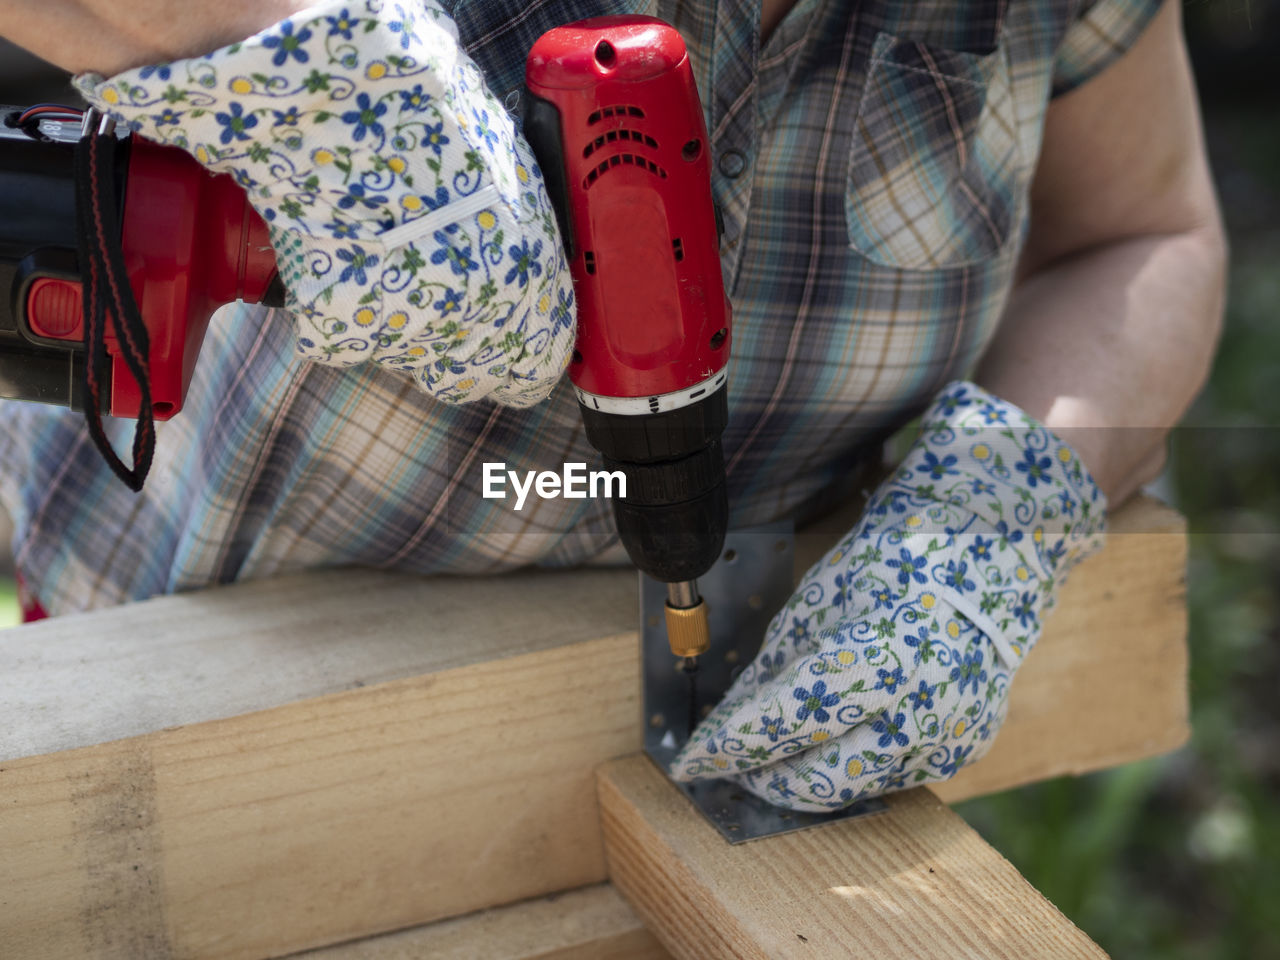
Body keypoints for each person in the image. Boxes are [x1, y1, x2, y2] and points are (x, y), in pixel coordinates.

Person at [0, 0, 1225, 811]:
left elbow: (1144, 232)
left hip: (691, 701)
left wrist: (983, 518)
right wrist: (312, 74)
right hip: (181, 679)